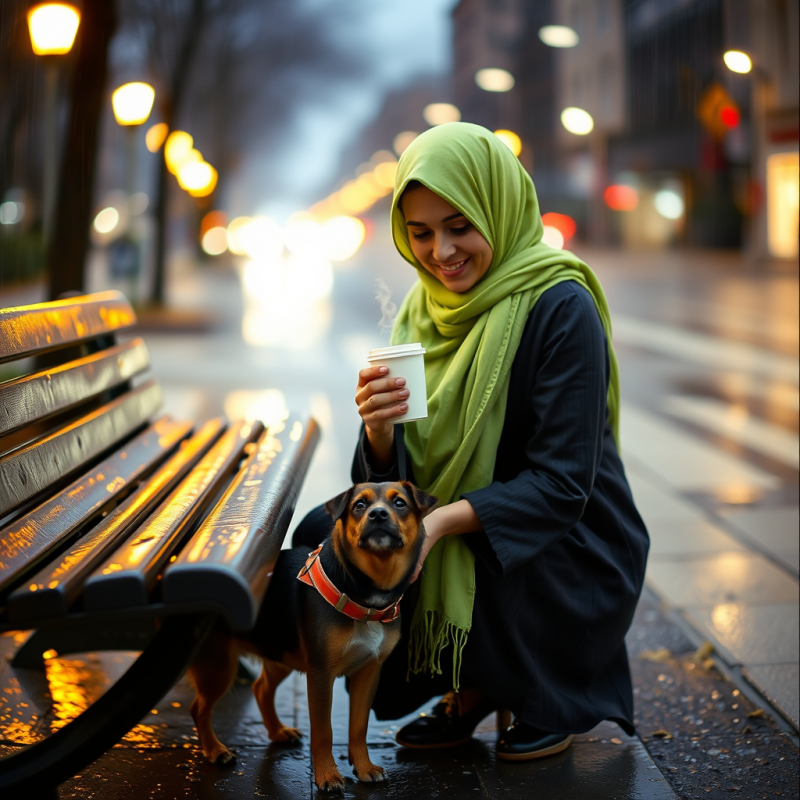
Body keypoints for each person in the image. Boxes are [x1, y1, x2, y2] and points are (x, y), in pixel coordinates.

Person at [292, 122, 649, 761]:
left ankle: (539, 689)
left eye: (460, 226)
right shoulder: (420, 311)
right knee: (352, 537)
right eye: (421, 233)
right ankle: (479, 681)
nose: (441, 252)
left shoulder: (561, 305)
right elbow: (398, 476)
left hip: (570, 539)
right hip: (483, 520)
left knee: (438, 534)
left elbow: (563, 484)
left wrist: (434, 525)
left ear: (498, 208)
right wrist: (377, 430)